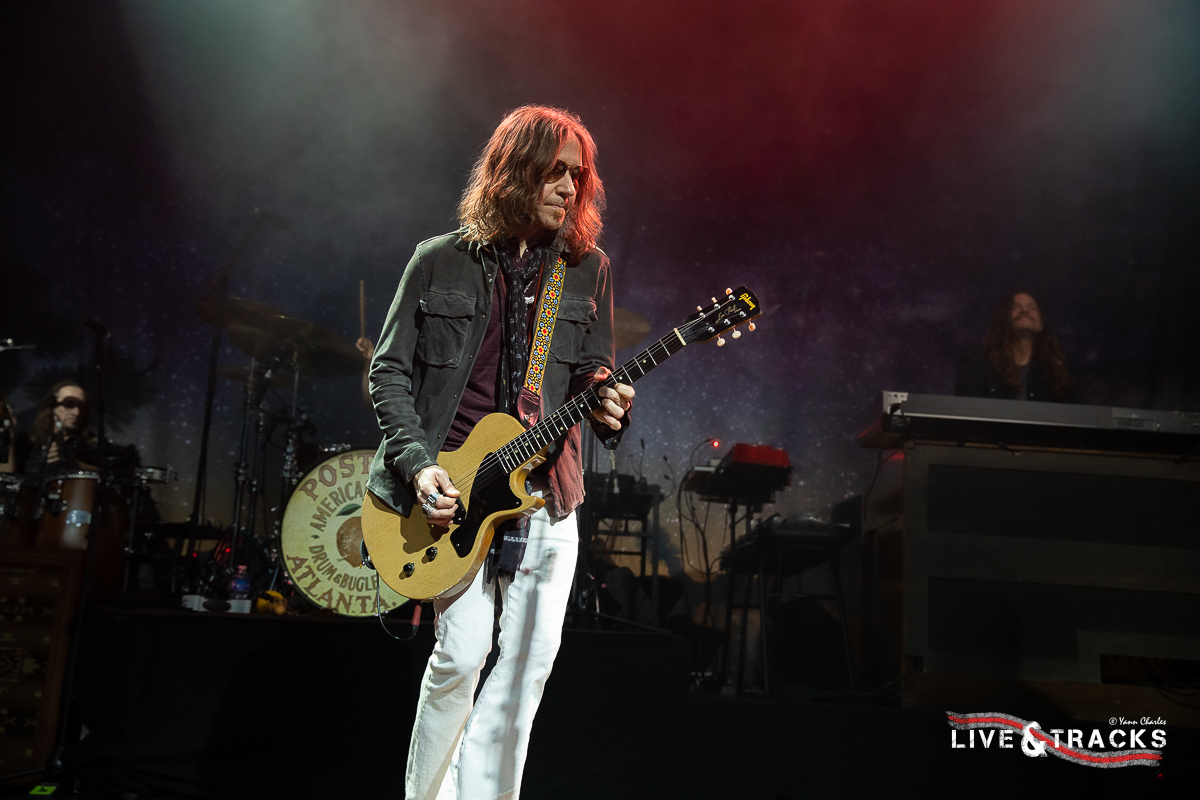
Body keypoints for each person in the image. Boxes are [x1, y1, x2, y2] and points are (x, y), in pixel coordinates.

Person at [367, 105, 634, 800]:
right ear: (515, 171)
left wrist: (608, 401)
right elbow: (387, 371)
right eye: (555, 172)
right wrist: (419, 465)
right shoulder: (438, 260)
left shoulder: (588, 269)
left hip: (546, 494)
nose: (570, 189)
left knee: (524, 672)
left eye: (579, 177)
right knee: (461, 656)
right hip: (456, 488)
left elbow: (594, 370)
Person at [955, 292, 1079, 403]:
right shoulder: (977, 361)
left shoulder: (1058, 369)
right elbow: (968, 412)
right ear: (1003, 318)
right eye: (1015, 307)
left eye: (1032, 308)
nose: (1025, 310)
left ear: (1041, 324)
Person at [16, 380, 97, 475]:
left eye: (81, 406)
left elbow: (107, 473)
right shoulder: (26, 441)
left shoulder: (91, 444)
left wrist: (73, 463)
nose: (77, 412)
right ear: (52, 405)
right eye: (69, 404)